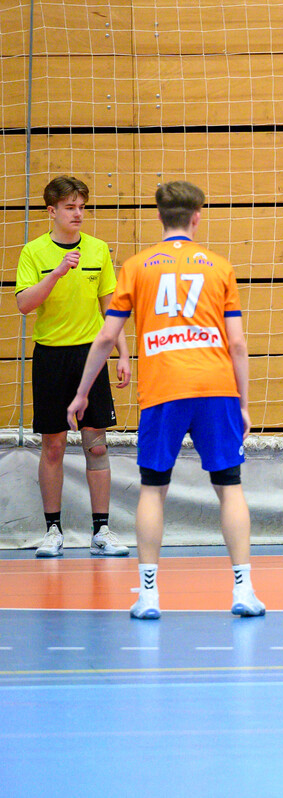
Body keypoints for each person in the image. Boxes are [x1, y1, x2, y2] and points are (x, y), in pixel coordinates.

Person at [67, 181, 265, 620]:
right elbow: (237, 344)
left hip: (163, 390)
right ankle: (244, 590)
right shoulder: (219, 267)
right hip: (216, 388)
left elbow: (106, 337)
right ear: (197, 217)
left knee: (153, 490)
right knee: (229, 486)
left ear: (158, 216)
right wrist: (243, 404)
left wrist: (81, 393)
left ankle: (149, 595)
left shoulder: (137, 266)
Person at [15, 176, 131, 558]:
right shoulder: (33, 252)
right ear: (52, 211)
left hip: (91, 357)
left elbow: (111, 309)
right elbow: (24, 304)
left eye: (82, 207)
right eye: (70, 207)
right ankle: (53, 531)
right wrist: (57, 273)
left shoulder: (97, 250)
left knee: (96, 447)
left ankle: (102, 531)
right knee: (53, 446)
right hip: (51, 356)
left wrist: (123, 354)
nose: (78, 213)